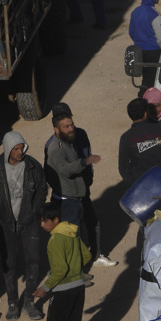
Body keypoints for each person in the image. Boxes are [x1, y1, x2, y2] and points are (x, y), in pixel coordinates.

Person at [0, 131, 47, 321]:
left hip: (29, 221)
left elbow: (42, 189)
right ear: (8, 149)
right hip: (5, 224)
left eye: (22, 148)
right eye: (16, 149)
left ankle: (29, 301)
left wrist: (34, 212)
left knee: (33, 261)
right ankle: (12, 302)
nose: (20, 152)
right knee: (9, 263)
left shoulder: (33, 166)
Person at [45, 104, 114, 267]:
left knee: (93, 223)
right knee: (72, 233)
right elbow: (56, 170)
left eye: (71, 124)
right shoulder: (53, 146)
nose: (70, 129)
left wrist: (87, 179)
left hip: (82, 191)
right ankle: (77, 270)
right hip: (66, 197)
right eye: (65, 126)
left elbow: (87, 154)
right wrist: (63, 189)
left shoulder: (80, 134)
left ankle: (95, 256)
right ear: (56, 128)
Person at [34, 201, 92, 321]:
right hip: (78, 287)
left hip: (64, 290)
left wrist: (44, 288)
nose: (42, 225)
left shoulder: (55, 241)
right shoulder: (72, 232)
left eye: (45, 221)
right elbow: (87, 255)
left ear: (55, 219)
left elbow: (60, 270)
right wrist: (76, 268)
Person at [118, 97, 161, 190]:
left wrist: (135, 184)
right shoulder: (160, 129)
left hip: (141, 187)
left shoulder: (125, 137)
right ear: (146, 113)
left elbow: (123, 168)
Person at [128, 0, 161, 87]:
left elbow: (131, 32)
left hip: (139, 51)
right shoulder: (154, 14)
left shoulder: (135, 12)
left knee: (146, 78)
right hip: (154, 53)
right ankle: (147, 99)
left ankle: (144, 96)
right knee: (155, 80)